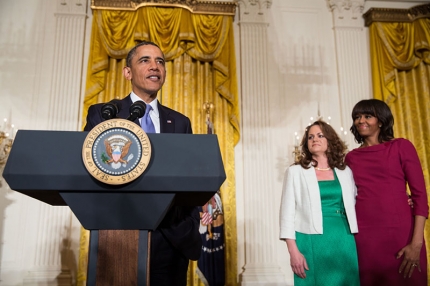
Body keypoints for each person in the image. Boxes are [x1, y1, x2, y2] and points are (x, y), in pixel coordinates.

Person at [84, 41, 201, 285]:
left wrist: (190, 222)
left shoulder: (180, 122)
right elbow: (88, 168)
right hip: (118, 236)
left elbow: (192, 176)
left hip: (172, 239)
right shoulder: (105, 113)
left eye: (160, 62)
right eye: (145, 60)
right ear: (128, 72)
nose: (155, 67)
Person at [345, 99, 428, 285]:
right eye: (357, 117)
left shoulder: (401, 147)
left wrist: (416, 244)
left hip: (402, 234)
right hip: (365, 238)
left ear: (381, 121)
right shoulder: (350, 158)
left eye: (367, 116)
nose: (360, 121)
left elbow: (420, 196)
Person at [279, 120, 360, 286]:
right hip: (310, 239)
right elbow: (287, 214)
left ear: (330, 140)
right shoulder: (295, 172)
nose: (314, 139)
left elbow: (359, 201)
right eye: (310, 137)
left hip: (343, 238)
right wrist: (293, 251)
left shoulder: (345, 171)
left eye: (320, 135)